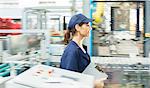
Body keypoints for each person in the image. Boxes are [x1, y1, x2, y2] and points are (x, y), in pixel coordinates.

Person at [60, 13, 104, 88]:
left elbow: (85, 68)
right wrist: (93, 84)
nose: (90, 28)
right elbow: (69, 82)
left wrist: (98, 72)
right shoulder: (72, 51)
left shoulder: (82, 48)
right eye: (87, 25)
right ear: (77, 27)